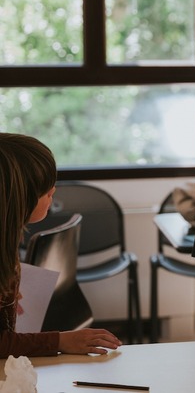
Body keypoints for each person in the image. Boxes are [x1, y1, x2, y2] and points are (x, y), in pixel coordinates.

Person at [0, 133, 122, 358]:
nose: (53, 191)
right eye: (44, 189)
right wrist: (59, 340)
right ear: (15, 196)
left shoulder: (7, 237)